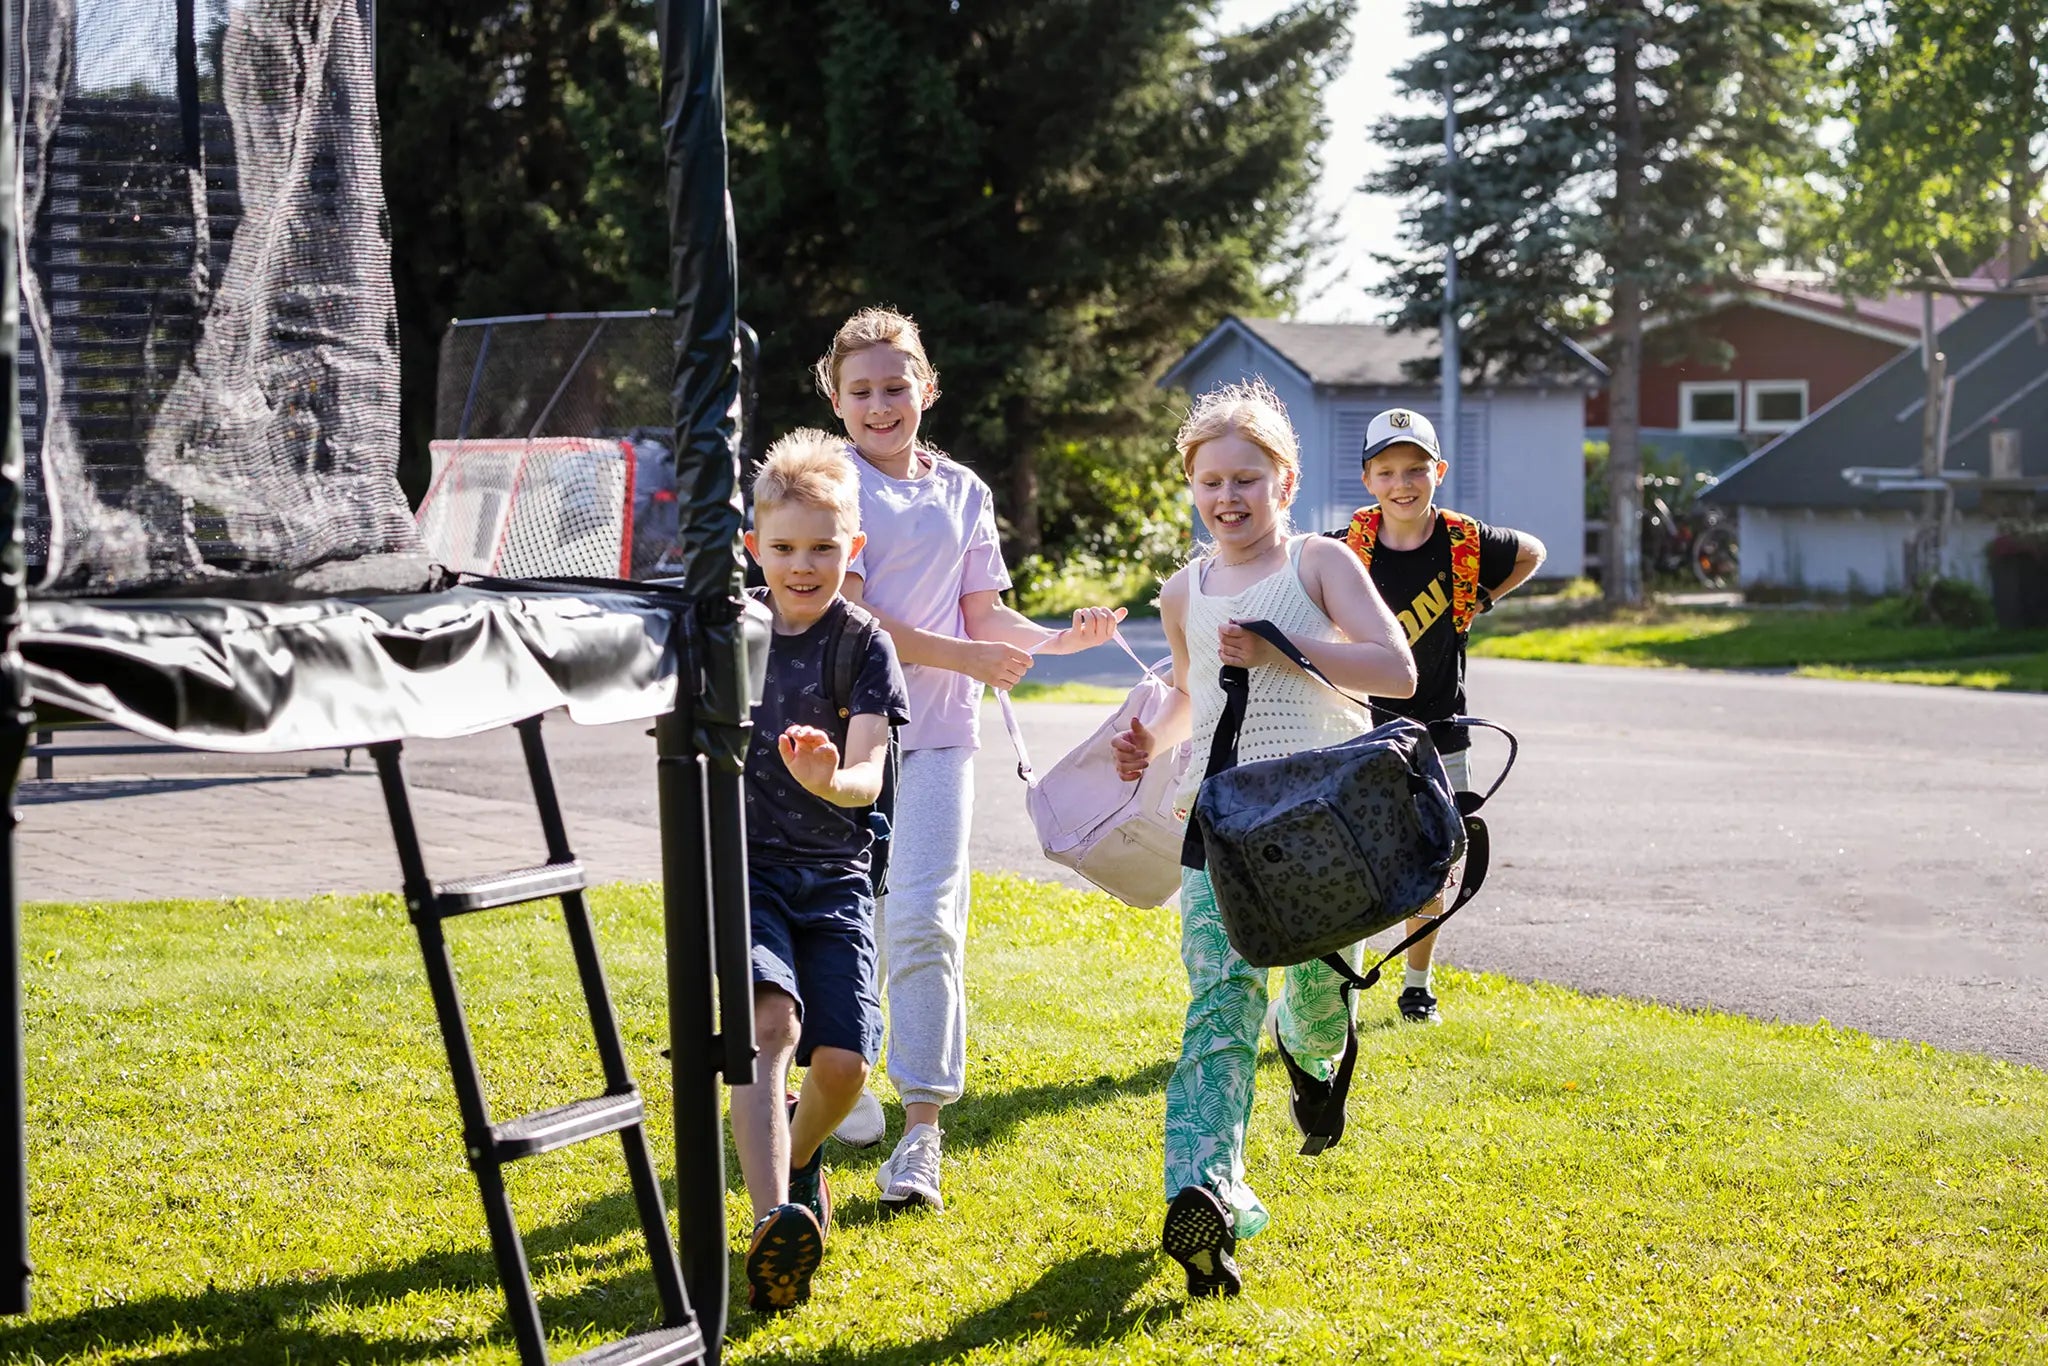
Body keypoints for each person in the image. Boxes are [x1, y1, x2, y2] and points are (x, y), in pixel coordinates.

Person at [815, 305, 1126, 1213]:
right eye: (862, 389)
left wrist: (1062, 642)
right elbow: (852, 620)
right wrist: (968, 657)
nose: (881, 404)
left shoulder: (963, 490)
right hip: (841, 739)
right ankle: (844, 1083)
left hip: (942, 739)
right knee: (849, 919)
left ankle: (921, 1134)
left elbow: (987, 617)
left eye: (896, 385)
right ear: (836, 400)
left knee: (925, 922)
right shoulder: (832, 484)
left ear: (927, 389)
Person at [1111, 379, 1417, 1297]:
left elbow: (1395, 671)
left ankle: (1317, 1054)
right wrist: (1146, 738)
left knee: (1320, 998)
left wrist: (1291, 646)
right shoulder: (1183, 589)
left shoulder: (1319, 564)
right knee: (1218, 1006)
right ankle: (1205, 1195)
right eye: (1211, 482)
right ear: (1192, 488)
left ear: (1284, 482)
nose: (1228, 498)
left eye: (1247, 479)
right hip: (1224, 833)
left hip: (1326, 827)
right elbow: (1189, 692)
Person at [732, 430, 910, 1313]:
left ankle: (801, 1163)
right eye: (784, 548)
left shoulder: (865, 644)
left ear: (854, 549)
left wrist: (823, 776)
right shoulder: (730, 632)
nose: (802, 567)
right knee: (772, 1028)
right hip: (748, 869)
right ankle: (774, 1225)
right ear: (752, 546)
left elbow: (869, 773)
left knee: (843, 1064)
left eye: (823, 548)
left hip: (837, 873)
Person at [1333, 408, 1545, 1024]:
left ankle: (1416, 984)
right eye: (1388, 471)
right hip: (1359, 730)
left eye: (1417, 469)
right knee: (1359, 858)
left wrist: (1482, 596)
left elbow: (1532, 550)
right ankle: (1342, 983)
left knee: (1434, 862)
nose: (1404, 483)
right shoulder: (1347, 548)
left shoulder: (1466, 542)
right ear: (1368, 479)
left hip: (1442, 728)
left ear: (1439, 471)